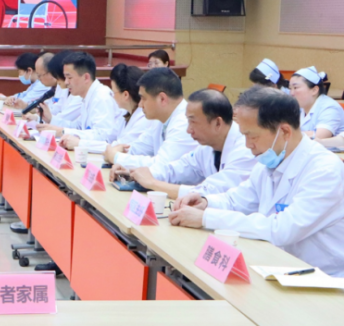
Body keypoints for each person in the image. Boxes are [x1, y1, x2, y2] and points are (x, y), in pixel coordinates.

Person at [169, 87, 344, 277]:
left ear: (284, 131)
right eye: (243, 135)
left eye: (252, 136)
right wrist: (205, 202)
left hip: (323, 278)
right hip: (277, 266)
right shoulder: (268, 161)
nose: (247, 145)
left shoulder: (324, 170)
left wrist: (205, 218)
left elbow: (281, 230)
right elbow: (238, 200)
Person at [110, 89, 256, 200]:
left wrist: (153, 183)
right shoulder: (206, 147)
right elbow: (176, 169)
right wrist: (134, 173)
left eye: (193, 122)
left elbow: (210, 192)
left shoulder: (245, 149)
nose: (188, 130)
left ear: (217, 123)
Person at [105, 68, 197, 168]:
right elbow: (138, 148)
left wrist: (116, 157)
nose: (140, 104)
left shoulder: (184, 124)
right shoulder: (160, 119)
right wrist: (119, 151)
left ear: (162, 99)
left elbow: (162, 166)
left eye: (143, 98)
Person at [63, 63, 153, 152]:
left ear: (125, 95)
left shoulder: (143, 119)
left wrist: (80, 143)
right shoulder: (126, 114)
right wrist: (73, 136)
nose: (112, 96)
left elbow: (119, 147)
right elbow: (107, 136)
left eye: (114, 92)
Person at [44, 52, 122, 144]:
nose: (66, 82)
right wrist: (53, 123)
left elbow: (103, 136)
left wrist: (63, 132)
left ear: (86, 77)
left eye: (69, 77)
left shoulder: (102, 97)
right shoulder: (87, 96)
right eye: (65, 78)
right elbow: (78, 126)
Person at [289, 66, 343, 140]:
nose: (291, 93)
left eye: (295, 88)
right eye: (290, 88)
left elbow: (319, 137)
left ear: (314, 90)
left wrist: (290, 134)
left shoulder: (330, 107)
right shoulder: (300, 107)